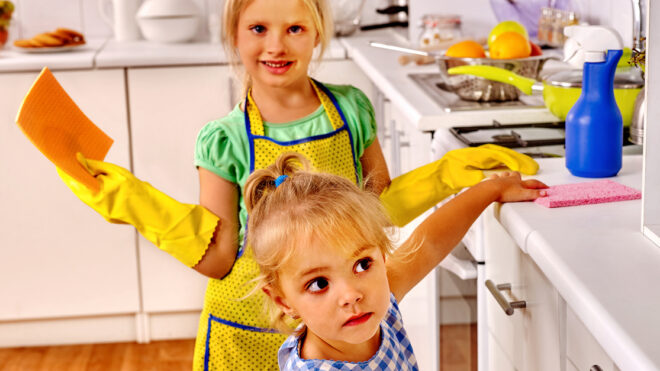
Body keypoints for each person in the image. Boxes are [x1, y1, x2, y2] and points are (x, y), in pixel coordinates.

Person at [55, 0, 540, 369]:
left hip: (332, 317)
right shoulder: (223, 139)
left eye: (294, 29)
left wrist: (459, 176)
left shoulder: (350, 110)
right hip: (244, 324)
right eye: (258, 29)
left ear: (317, 35)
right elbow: (220, 253)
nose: (276, 46)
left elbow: (379, 210)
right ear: (234, 36)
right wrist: (131, 200)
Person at [243, 152, 547, 370]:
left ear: (381, 254)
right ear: (283, 300)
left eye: (362, 264)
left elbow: (429, 242)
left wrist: (489, 189)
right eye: (319, 283)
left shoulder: (379, 307)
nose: (351, 294)